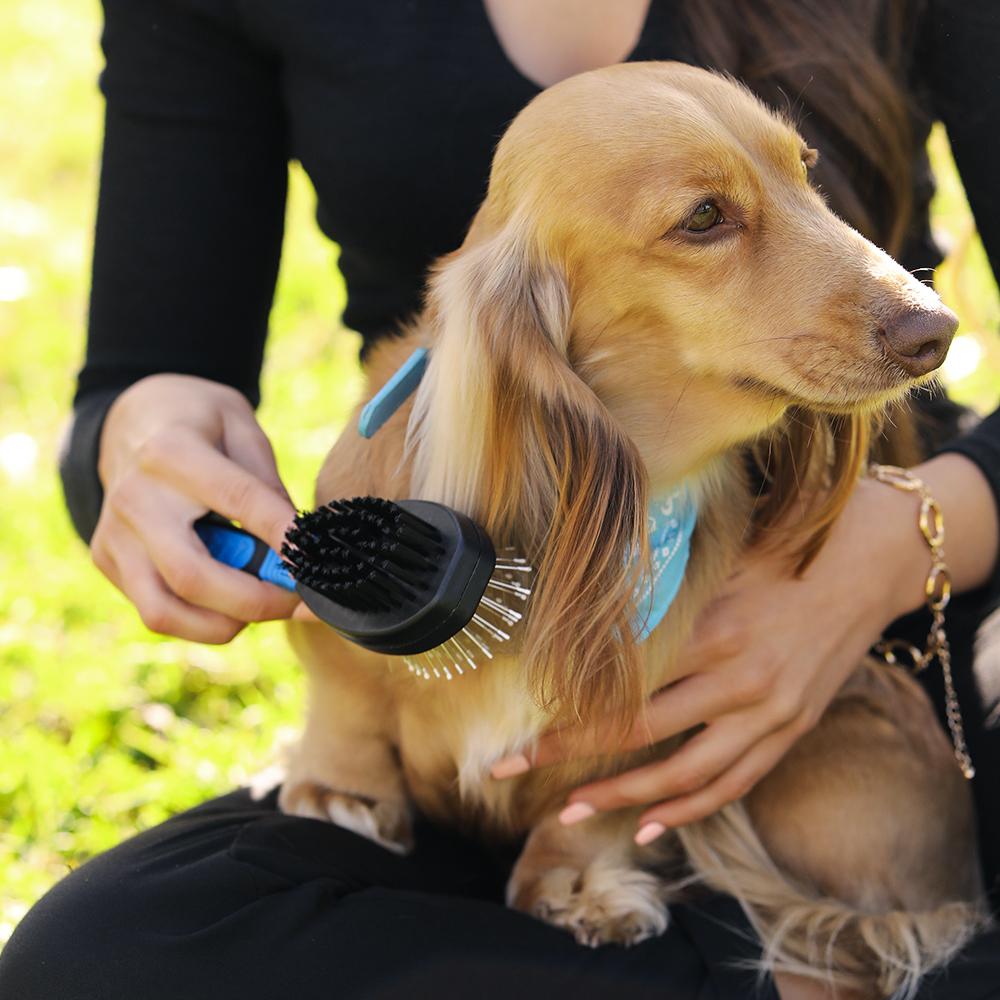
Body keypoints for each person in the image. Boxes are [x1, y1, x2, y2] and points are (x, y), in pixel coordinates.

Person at [2, 1, 998, 997]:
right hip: (460, 667)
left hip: (898, 630)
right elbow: (143, 375)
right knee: (93, 959)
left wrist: (888, 548)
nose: (913, 312)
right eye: (705, 218)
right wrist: (144, 434)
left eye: (798, 175)